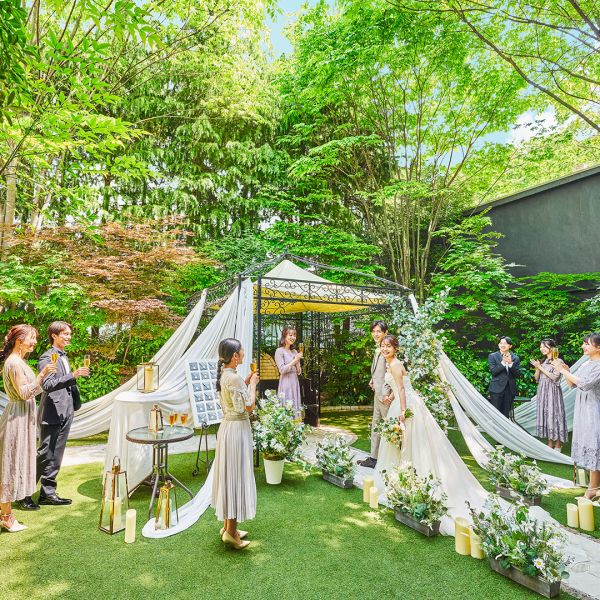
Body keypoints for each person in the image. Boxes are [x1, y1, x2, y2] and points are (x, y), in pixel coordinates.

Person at [374, 334, 490, 534]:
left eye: (388, 346)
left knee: (408, 441)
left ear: (395, 349)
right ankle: (402, 479)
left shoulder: (395, 364)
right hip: (403, 402)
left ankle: (410, 478)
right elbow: (399, 386)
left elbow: (402, 389)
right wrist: (389, 398)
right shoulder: (392, 363)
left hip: (406, 406)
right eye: (383, 346)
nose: (385, 349)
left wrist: (403, 411)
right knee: (403, 442)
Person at [21, 321, 89, 510]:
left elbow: (64, 383)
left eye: (69, 333)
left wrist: (73, 401)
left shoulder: (63, 356)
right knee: (45, 454)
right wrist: (73, 375)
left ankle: (48, 494)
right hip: (51, 412)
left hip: (66, 410)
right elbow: (48, 385)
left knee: (56, 455)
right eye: (65, 334)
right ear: (54, 335)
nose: (69, 337)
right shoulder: (47, 357)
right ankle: (24, 494)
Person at [0, 325, 56, 532]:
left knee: (13, 463)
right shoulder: (14, 363)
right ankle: (6, 517)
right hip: (16, 419)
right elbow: (24, 393)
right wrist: (42, 375)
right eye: (31, 338)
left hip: (22, 417)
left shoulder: (18, 361)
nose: (35, 342)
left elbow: (30, 391)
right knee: (9, 465)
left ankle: (6, 514)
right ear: (20, 340)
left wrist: (43, 378)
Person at [212, 338, 258, 549]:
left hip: (227, 429)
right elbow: (248, 407)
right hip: (237, 430)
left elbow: (235, 400)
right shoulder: (235, 378)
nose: (244, 353)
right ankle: (231, 532)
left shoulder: (226, 375)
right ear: (234, 356)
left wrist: (246, 382)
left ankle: (227, 527)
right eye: (241, 351)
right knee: (236, 476)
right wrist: (253, 385)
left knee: (229, 476)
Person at [551, 332, 600, 501]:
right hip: (583, 409)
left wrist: (562, 371)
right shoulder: (586, 363)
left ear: (598, 347)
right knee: (587, 443)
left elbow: (585, 384)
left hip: (594, 409)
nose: (583, 346)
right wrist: (565, 370)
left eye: (587, 344)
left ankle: (593, 488)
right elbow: (572, 384)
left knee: (594, 444)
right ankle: (592, 485)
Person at [358, 320, 391, 469]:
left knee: (390, 426)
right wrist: (373, 380)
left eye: (378, 331)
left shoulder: (387, 348)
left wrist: (386, 394)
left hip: (385, 396)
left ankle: (393, 460)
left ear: (385, 332)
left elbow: (391, 373)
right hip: (377, 393)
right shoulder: (379, 349)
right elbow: (379, 371)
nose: (375, 334)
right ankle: (373, 458)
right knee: (376, 425)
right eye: (373, 331)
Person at [531, 338, 568, 451]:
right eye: (541, 346)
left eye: (544, 346)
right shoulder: (543, 361)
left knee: (555, 415)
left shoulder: (558, 361)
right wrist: (538, 368)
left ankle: (558, 444)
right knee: (547, 415)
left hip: (553, 391)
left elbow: (555, 377)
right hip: (542, 391)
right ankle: (550, 443)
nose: (542, 348)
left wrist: (540, 367)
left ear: (551, 348)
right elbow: (536, 378)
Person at [487, 336, 521, 418]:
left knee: (506, 415)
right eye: (501, 343)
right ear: (498, 345)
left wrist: (510, 363)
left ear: (510, 346)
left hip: (510, 389)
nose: (503, 345)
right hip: (496, 389)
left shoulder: (515, 358)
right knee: (495, 414)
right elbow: (494, 372)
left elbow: (518, 374)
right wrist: (503, 362)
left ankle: (505, 427)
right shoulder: (492, 356)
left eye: (505, 343)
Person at [274, 327, 302, 417]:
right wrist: (295, 360)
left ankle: (296, 424)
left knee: (295, 404)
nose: (293, 337)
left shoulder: (294, 351)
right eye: (290, 335)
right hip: (286, 382)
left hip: (294, 381)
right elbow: (282, 370)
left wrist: (298, 361)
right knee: (287, 404)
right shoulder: (279, 351)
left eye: (294, 335)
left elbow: (299, 372)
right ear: (284, 336)